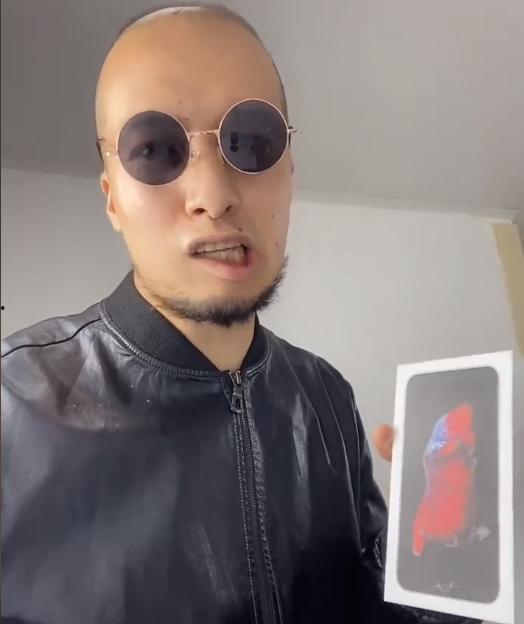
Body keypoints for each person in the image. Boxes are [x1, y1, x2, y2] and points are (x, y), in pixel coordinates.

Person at [1, 5, 480, 624]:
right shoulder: (12, 403)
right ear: (113, 198)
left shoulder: (328, 399)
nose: (214, 196)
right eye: (155, 150)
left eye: (252, 143)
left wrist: (444, 567)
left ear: (289, 170)